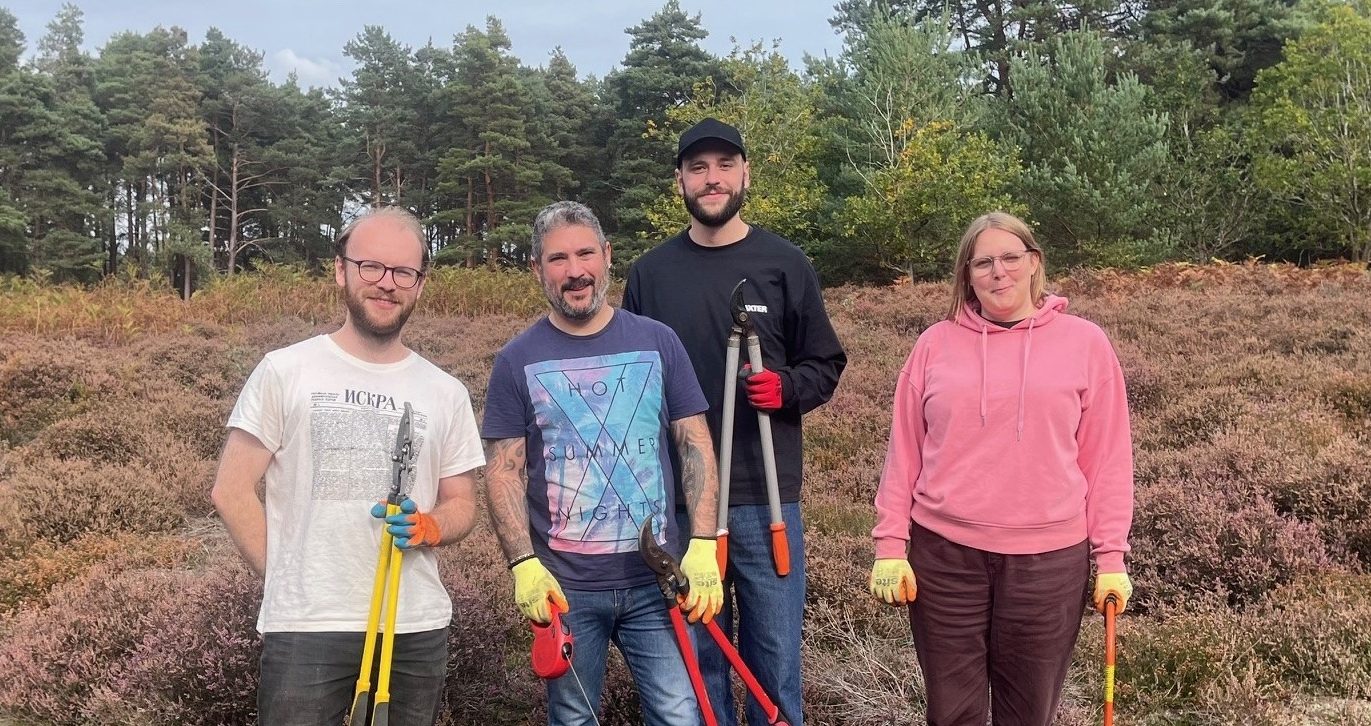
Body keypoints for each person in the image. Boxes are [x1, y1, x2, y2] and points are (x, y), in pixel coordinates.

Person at [210, 207, 486, 726]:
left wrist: (432, 526)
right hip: (308, 626)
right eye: (371, 267)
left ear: (420, 284)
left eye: (404, 272)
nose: (387, 284)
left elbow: (463, 504)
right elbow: (230, 490)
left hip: (414, 625)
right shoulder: (285, 371)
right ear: (341, 270)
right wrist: (287, 578)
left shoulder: (445, 392)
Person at [868, 211, 1135, 726]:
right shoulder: (933, 345)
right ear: (966, 275)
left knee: (1028, 712)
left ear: (1034, 263)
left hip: (1048, 562)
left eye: (1011, 257)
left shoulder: (1086, 343)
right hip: (943, 559)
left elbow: (1107, 461)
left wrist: (1111, 558)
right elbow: (904, 452)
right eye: (983, 262)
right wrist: (890, 546)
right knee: (951, 711)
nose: (999, 272)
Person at [623, 118, 847, 726]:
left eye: (725, 165)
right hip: (683, 504)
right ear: (680, 182)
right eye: (698, 168)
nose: (712, 178)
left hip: (766, 502)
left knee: (774, 665)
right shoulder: (651, 273)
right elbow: (633, 380)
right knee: (700, 660)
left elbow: (825, 361)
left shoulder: (784, 264)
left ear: (745, 173)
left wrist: (789, 388)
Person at [482, 201, 725, 725]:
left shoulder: (658, 342)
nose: (575, 271)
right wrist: (523, 565)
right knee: (574, 718)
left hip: (656, 581)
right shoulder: (515, 360)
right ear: (537, 269)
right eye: (558, 259)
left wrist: (704, 544)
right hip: (565, 589)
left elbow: (694, 444)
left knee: (680, 714)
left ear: (608, 256)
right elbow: (502, 471)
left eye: (586, 253)